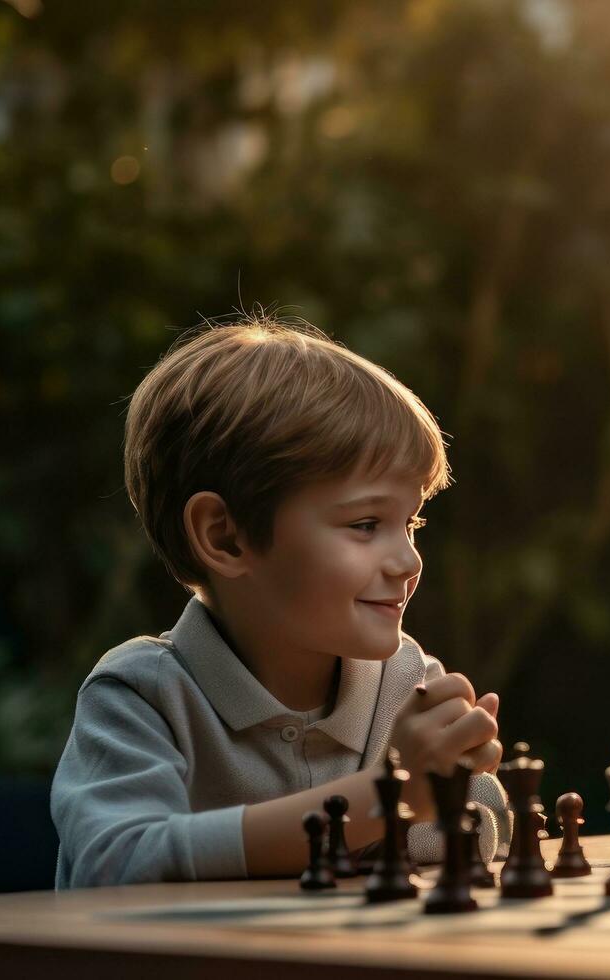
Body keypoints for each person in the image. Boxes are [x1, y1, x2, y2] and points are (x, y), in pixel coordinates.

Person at [52, 316, 508, 887]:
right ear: (225, 536)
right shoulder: (141, 696)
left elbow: (481, 824)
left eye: (410, 522)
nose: (409, 561)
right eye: (366, 524)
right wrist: (385, 798)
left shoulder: (408, 683)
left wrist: (428, 802)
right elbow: (118, 861)